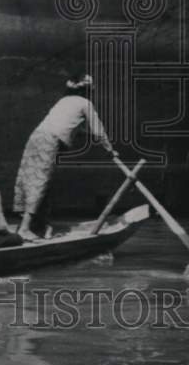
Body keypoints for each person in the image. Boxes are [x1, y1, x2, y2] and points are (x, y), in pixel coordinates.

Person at [13, 73, 117, 240]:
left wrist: (97, 140)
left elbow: (75, 128)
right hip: (49, 140)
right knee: (40, 181)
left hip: (36, 137)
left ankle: (41, 225)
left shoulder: (64, 101)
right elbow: (98, 131)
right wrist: (110, 150)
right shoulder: (85, 103)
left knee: (33, 179)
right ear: (87, 90)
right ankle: (24, 228)